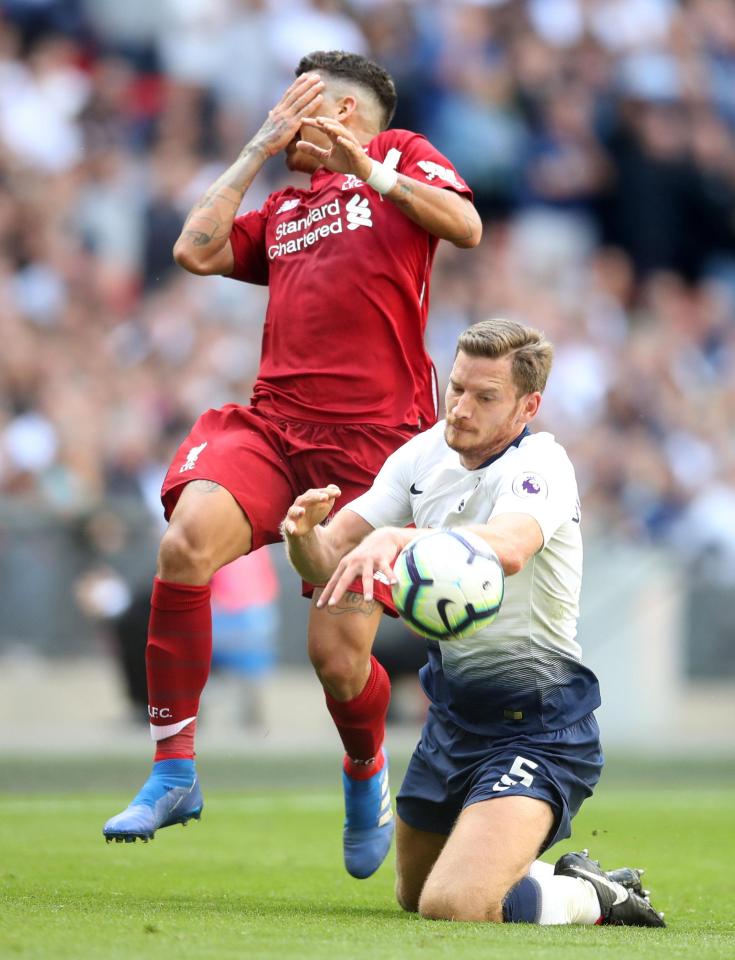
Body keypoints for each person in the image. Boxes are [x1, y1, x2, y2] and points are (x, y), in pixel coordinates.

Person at [102, 50, 482, 881]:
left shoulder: (404, 155)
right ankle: (173, 772)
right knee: (182, 547)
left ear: (342, 113)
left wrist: (366, 171)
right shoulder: (283, 207)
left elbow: (465, 225)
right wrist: (252, 151)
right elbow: (193, 252)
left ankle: (363, 770)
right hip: (274, 427)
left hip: (376, 450)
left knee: (338, 660)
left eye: (293, 109)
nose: (281, 123)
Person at [282, 318, 665, 926]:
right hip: (456, 716)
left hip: (540, 725)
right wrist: (301, 538)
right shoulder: (424, 454)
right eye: (456, 388)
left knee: (455, 903)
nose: (459, 408)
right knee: (416, 893)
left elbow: (509, 546)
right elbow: (334, 555)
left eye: (484, 397)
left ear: (526, 405)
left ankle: (595, 897)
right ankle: (540, 874)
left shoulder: (542, 465)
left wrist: (401, 536)